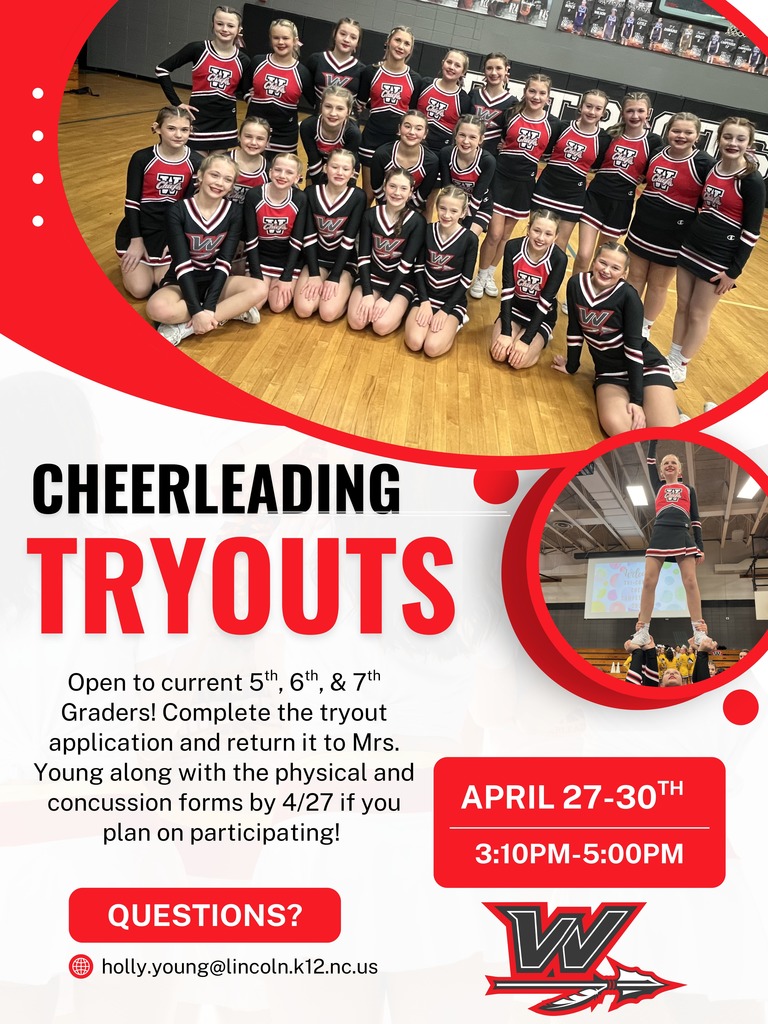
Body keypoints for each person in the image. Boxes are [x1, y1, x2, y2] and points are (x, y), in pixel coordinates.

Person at [670, 117, 765, 382]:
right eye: (728, 137)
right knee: (682, 306)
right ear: (719, 138)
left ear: (749, 143)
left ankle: (682, 364)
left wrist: (733, 272)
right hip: (692, 248)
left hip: (719, 258)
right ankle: (673, 356)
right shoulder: (713, 168)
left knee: (699, 313)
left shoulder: (751, 180)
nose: (732, 143)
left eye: (740, 139)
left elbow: (751, 232)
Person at [552, 242, 679, 433]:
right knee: (621, 432)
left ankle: (669, 412)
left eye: (615, 268)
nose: (606, 270)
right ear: (594, 261)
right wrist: (571, 366)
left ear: (624, 274)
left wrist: (636, 401)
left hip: (645, 367)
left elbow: (634, 349)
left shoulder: (629, 296)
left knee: (668, 435)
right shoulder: (576, 284)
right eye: (603, 263)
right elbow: (575, 329)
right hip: (609, 373)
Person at [146, 154, 263, 345]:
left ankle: (185, 328)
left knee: (259, 289)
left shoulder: (234, 212)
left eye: (227, 179)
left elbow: (225, 261)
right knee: (157, 308)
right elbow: (182, 263)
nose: (219, 183)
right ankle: (227, 312)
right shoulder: (177, 210)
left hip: (215, 278)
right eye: (214, 175)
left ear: (232, 186)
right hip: (180, 280)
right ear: (200, 176)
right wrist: (196, 309)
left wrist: (207, 309)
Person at [626, 113, 713, 340]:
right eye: (676, 131)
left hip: (675, 233)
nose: (681, 136)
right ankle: (626, 318)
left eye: (688, 132)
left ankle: (643, 327)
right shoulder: (656, 154)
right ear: (668, 131)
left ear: (697, 136)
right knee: (634, 277)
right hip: (643, 224)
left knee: (658, 285)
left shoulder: (704, 163)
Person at [471, 74, 559, 299]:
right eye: (532, 91)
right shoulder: (510, 113)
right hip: (501, 178)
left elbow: (547, 154)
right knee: (494, 233)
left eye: (541, 93)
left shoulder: (553, 124)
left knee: (505, 236)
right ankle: (480, 275)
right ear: (525, 92)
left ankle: (490, 274)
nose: (536, 96)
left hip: (524, 183)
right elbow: (495, 139)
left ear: (548, 98)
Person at [574, 92, 662, 281]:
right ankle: (576, 292)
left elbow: (655, 170)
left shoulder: (654, 142)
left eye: (640, 111)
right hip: (595, 198)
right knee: (583, 254)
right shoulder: (610, 135)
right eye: (630, 111)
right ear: (623, 113)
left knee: (603, 258)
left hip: (621, 204)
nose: (635, 115)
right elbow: (592, 160)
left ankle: (593, 294)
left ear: (649, 113)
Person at [115, 106, 201, 299]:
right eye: (171, 128)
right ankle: (130, 263)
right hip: (140, 229)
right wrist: (136, 241)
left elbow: (187, 206)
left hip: (168, 231)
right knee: (140, 290)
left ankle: (152, 267)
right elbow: (132, 203)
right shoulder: (142, 158)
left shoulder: (195, 161)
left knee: (164, 286)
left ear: (191, 131)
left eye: (184, 130)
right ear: (157, 128)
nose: (178, 135)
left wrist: (177, 240)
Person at [627, 441, 707, 648]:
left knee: (690, 581)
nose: (669, 465)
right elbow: (649, 461)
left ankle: (698, 631)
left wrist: (700, 546)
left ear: (680, 470)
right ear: (661, 471)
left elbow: (696, 519)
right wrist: (654, 438)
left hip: (682, 533)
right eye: (665, 463)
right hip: (660, 533)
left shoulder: (689, 490)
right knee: (647, 581)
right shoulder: (659, 486)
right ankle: (642, 631)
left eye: (673, 462)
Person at [155, 6, 250, 153]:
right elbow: (162, 69)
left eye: (230, 25)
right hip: (199, 119)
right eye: (220, 24)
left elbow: (244, 91)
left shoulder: (243, 60)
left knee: (216, 171)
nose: (225, 29)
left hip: (224, 122)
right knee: (198, 170)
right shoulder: (198, 49)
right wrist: (177, 103)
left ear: (239, 30)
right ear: (213, 25)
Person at [347, 168, 426, 336]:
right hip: (373, 276)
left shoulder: (417, 221)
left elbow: (406, 265)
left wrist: (387, 298)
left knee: (380, 327)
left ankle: (400, 308)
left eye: (403, 188)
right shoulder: (370, 215)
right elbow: (363, 257)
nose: (397, 193)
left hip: (401, 281)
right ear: (384, 187)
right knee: (356, 322)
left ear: (411, 192)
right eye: (392, 186)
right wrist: (368, 293)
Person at [531, 89, 611, 253]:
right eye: (588, 106)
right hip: (546, 188)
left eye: (597, 108)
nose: (592, 112)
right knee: (534, 238)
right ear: (581, 107)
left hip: (572, 196)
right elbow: (544, 151)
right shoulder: (562, 127)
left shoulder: (603, 140)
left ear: (603, 113)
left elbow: (598, 164)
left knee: (559, 246)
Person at [294, 149, 367, 322]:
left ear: (353, 173)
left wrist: (334, 277)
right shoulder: (311, 192)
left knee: (327, 314)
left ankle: (345, 293)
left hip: (344, 262)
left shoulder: (358, 196)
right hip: (316, 260)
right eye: (334, 167)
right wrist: (314, 274)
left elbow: (349, 239)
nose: (339, 172)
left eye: (345, 169)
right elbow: (309, 236)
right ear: (325, 168)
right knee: (303, 310)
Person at [489, 209, 567, 370]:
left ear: (556, 237)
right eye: (536, 230)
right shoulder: (513, 247)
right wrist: (506, 331)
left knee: (517, 362)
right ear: (528, 228)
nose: (540, 238)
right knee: (500, 354)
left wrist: (526, 340)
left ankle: (540, 338)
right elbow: (507, 291)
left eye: (548, 234)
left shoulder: (559, 259)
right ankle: (516, 333)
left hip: (542, 317)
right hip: (515, 310)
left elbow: (545, 302)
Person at [404, 186, 477, 357]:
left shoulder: (469, 239)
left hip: (452, 301)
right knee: (414, 343)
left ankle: (457, 322)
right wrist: (424, 301)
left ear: (463, 212)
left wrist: (445, 310)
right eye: (443, 208)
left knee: (431, 348)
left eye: (454, 210)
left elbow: (466, 279)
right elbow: (419, 268)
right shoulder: (427, 230)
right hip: (426, 297)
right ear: (436, 206)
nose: (447, 215)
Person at [358, 27, 423, 203]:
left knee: (391, 197)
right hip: (371, 139)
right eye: (397, 40)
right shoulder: (370, 72)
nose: (401, 46)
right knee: (369, 194)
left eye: (406, 43)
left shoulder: (415, 79)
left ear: (410, 49)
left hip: (398, 144)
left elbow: (413, 115)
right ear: (388, 41)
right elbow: (359, 106)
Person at [243, 153, 308, 313]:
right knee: (254, 304)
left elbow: (297, 241)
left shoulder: (300, 198)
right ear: (270, 172)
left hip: (287, 257)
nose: (282, 176)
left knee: (277, 306)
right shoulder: (254, 195)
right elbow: (251, 240)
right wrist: (256, 274)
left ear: (297, 178)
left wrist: (286, 276)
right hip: (261, 256)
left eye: (289, 172)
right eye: (278, 170)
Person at [242, 19, 314, 157]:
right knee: (250, 171)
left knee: (281, 173)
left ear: (295, 41)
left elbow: (315, 103)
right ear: (271, 39)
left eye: (285, 38)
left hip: (285, 135)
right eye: (276, 38)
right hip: (254, 131)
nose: (281, 42)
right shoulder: (258, 62)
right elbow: (244, 87)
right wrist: (253, 101)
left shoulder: (302, 72)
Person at [370, 110, 439, 213]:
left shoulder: (432, 162)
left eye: (418, 129)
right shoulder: (382, 154)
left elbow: (423, 194)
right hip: (386, 205)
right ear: (399, 129)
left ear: (425, 134)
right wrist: (389, 207)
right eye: (407, 126)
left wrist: (404, 212)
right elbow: (376, 186)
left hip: (412, 209)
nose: (412, 132)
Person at [438, 115, 496, 236]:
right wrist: (453, 216)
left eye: (472, 137)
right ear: (456, 135)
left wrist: (464, 227)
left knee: (468, 238)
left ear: (481, 139)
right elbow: (447, 189)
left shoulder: (487, 161)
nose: (466, 141)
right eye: (462, 135)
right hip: (453, 205)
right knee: (446, 235)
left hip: (479, 206)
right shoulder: (446, 153)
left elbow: (477, 196)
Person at [299, 86, 362, 185]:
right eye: (328, 106)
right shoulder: (308, 126)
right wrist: (319, 191)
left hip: (344, 167)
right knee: (311, 193)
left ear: (348, 111)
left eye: (340, 109)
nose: (333, 113)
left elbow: (346, 164)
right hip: (319, 163)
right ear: (321, 106)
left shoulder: (353, 133)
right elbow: (313, 159)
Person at [416, 50, 471, 154]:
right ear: (442, 63)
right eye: (449, 62)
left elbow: (462, 130)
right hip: (414, 143)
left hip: (441, 152)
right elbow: (410, 111)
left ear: (463, 72)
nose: (451, 67)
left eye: (457, 65)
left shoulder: (464, 99)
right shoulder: (425, 84)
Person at [305, 18, 365, 109]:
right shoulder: (316, 60)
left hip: (347, 121)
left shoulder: (362, 70)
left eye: (353, 37)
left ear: (357, 42)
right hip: (318, 116)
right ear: (334, 34)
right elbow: (306, 87)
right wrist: (317, 106)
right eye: (342, 34)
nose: (346, 39)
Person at [468, 53, 517, 156]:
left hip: (492, 156)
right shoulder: (474, 94)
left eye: (498, 68)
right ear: (484, 71)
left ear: (506, 70)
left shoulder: (512, 102)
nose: (494, 73)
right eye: (489, 68)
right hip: (467, 151)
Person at [624, 633, 717, 686]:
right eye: (668, 673)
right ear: (660, 684)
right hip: (685, 671)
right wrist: (702, 653)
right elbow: (649, 683)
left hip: (686, 672)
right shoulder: (680, 657)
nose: (672, 673)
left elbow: (701, 688)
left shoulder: (679, 657)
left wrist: (638, 652)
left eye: (675, 673)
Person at [227, 117, 271, 206]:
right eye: (248, 136)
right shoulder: (222, 161)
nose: (253, 142)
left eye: (260, 138)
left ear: (267, 141)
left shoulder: (269, 171)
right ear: (239, 136)